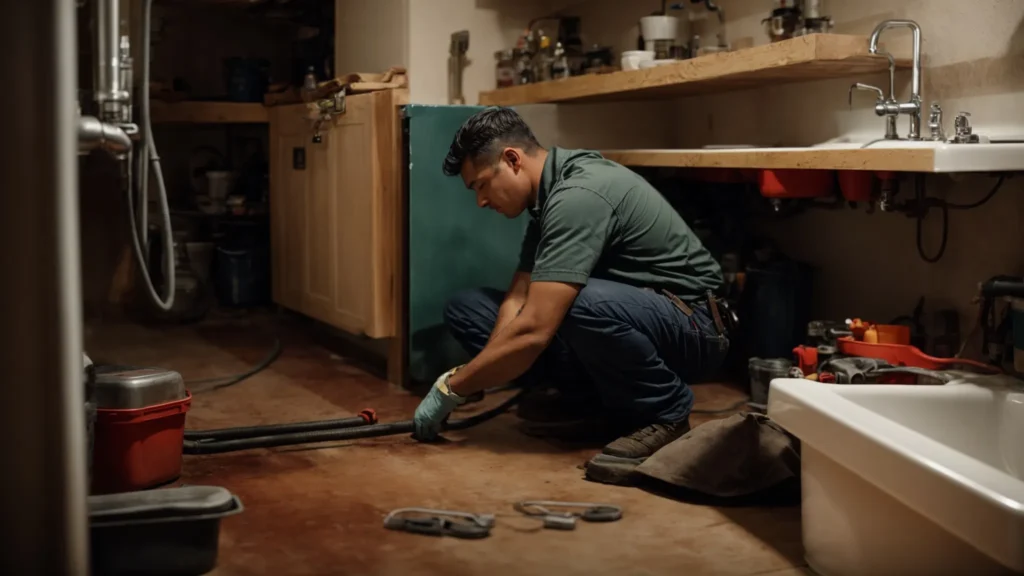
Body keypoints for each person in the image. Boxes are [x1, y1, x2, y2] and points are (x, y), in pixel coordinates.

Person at [413, 106, 729, 474]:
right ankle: (588, 402)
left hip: (694, 326)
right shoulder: (545, 198)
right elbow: (518, 296)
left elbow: (535, 329)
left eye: (481, 184)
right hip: (634, 318)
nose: (481, 201)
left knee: (573, 305)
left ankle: (665, 414)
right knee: (468, 308)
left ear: (512, 159)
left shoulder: (578, 195)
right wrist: (482, 369)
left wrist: (453, 388)